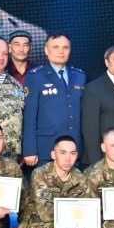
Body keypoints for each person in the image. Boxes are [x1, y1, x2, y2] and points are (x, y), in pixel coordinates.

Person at [21, 135, 92, 228]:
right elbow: (45, 213)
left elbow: (90, 206)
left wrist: (85, 225)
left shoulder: (80, 177)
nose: (68, 158)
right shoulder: (40, 174)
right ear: (53, 155)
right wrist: (73, 224)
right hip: (38, 225)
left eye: (73, 153)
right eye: (63, 153)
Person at [21, 33, 84, 166]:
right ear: (46, 50)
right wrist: (29, 149)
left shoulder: (80, 76)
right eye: (55, 47)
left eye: (65, 47)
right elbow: (29, 116)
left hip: (74, 149)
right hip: (46, 148)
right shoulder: (35, 76)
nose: (61, 51)